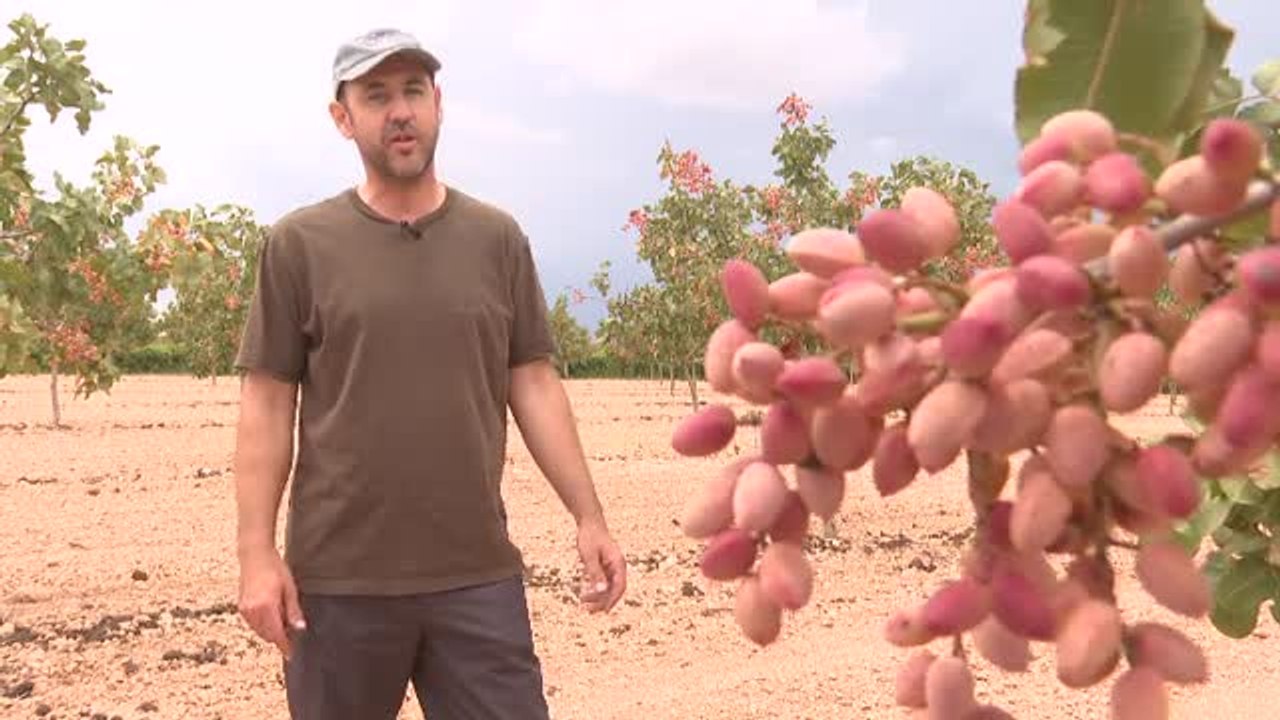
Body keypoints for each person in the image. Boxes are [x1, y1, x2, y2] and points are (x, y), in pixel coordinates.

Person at [230, 27, 628, 720]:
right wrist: (256, 555)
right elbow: (266, 405)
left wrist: (589, 517)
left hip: (476, 577)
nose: (400, 111)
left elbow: (534, 384)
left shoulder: (496, 239)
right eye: (376, 96)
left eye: (413, 91)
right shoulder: (300, 245)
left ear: (438, 103)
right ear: (343, 117)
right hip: (338, 586)